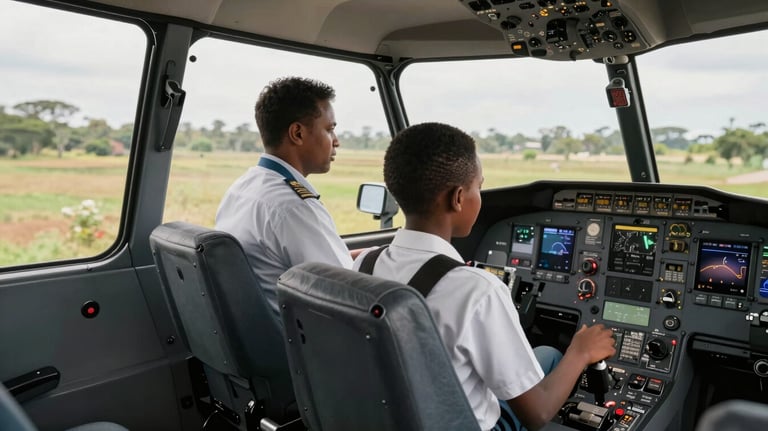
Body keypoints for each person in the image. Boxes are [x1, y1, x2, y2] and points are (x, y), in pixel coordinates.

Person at [352, 122, 616, 431]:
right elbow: (538, 412)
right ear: (458, 198)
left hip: (390, 418)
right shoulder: (478, 290)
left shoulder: (364, 266)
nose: (481, 196)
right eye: (479, 186)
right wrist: (581, 351)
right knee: (553, 355)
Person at [216, 76, 353, 315]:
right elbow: (347, 293)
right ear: (297, 133)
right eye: (330, 129)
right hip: (299, 345)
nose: (336, 142)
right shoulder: (293, 207)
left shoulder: (242, 188)